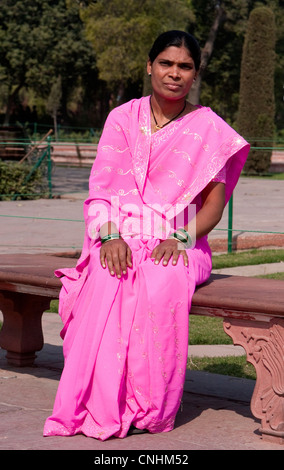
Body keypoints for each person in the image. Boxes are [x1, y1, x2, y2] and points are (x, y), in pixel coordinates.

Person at [44, 30, 250, 440]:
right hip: (118, 233)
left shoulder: (208, 127)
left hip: (182, 240)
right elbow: (100, 192)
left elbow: (212, 206)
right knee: (107, 277)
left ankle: (149, 408)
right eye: (167, 64)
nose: (174, 74)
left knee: (160, 281)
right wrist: (108, 238)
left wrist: (181, 240)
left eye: (185, 67)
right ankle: (102, 402)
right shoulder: (121, 117)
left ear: (195, 74)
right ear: (150, 66)